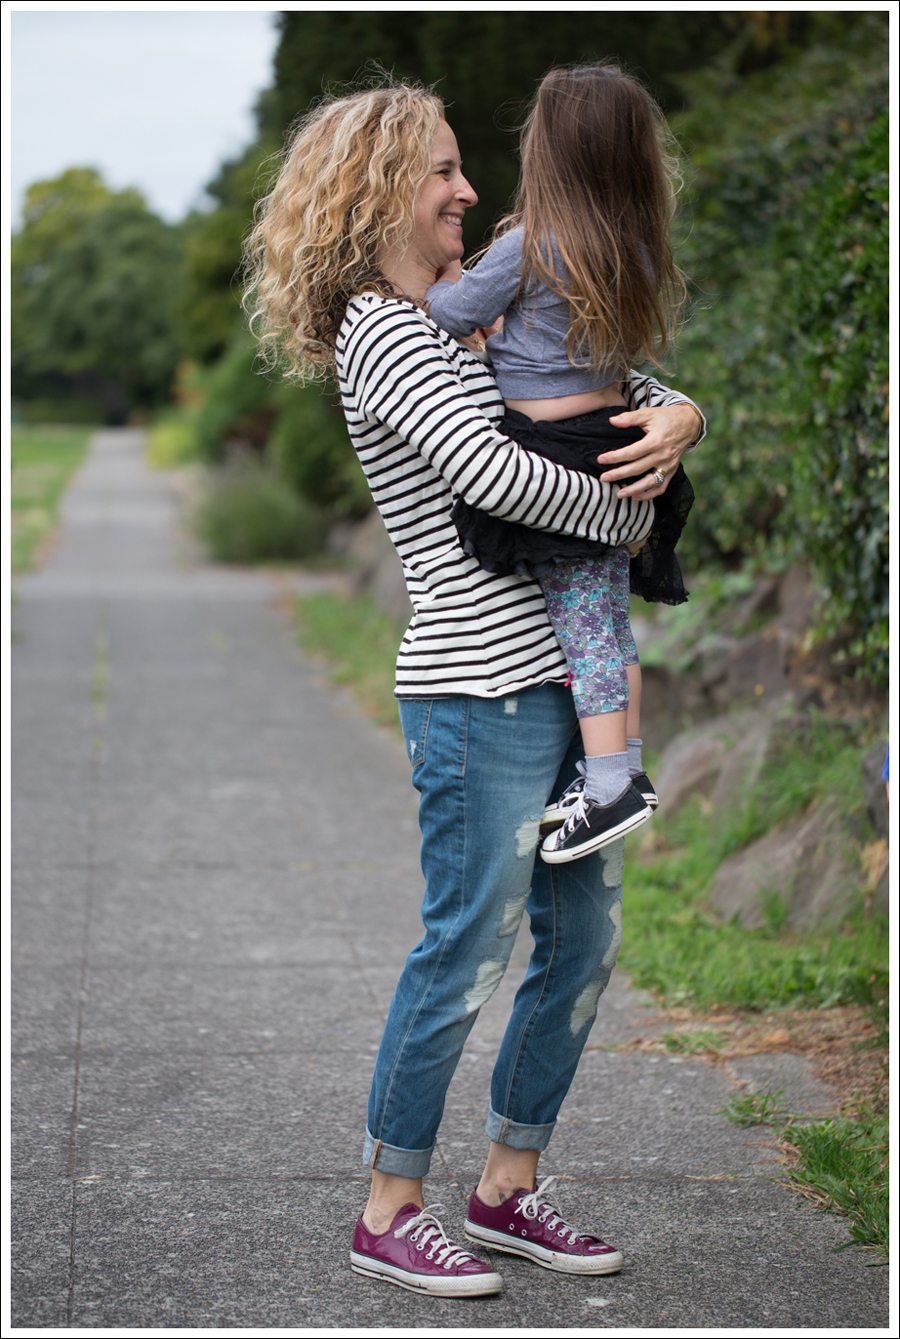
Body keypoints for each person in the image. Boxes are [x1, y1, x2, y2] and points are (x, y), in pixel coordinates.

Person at [245, 79, 703, 1300]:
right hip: (476, 692)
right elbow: (499, 473)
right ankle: (389, 1206)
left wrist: (684, 417)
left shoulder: (475, 309)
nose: (468, 189)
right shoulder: (386, 334)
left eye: (465, 169)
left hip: (571, 681)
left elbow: (605, 376)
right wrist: (636, 506)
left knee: (584, 944)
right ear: (377, 189)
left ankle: (507, 1188)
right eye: (443, 172)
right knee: (468, 948)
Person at [427, 64, 694, 864]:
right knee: (610, 619)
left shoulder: (529, 243)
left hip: (555, 451)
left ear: (550, 154)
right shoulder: (636, 247)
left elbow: (454, 313)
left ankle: (607, 780)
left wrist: (450, 282)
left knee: (586, 627)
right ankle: (629, 767)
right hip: (612, 438)